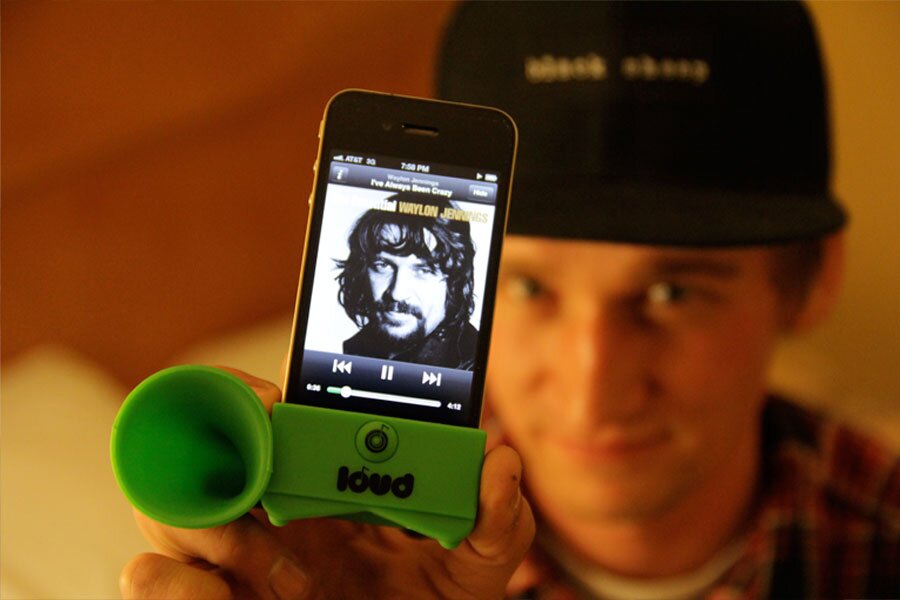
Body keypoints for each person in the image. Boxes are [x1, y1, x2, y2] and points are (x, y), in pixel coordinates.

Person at [121, 2, 898, 599]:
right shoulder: (331, 546)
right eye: (528, 286)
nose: (591, 388)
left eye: (672, 293)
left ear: (814, 279)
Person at [337, 193, 478, 369]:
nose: (397, 293)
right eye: (383, 265)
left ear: (454, 283)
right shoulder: (355, 351)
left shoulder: (482, 367)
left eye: (424, 270)